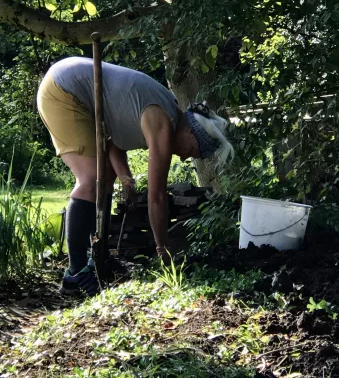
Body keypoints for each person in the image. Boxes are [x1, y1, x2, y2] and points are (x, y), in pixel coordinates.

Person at [37, 57, 234, 296]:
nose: (183, 158)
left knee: (104, 177)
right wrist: (163, 250)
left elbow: (113, 139)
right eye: (191, 151)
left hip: (72, 84)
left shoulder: (165, 110)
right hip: (64, 90)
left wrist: (125, 178)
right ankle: (75, 274)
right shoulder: (163, 122)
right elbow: (157, 196)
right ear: (191, 132)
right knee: (91, 180)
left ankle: (100, 260)